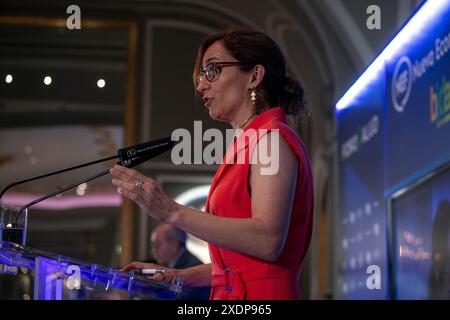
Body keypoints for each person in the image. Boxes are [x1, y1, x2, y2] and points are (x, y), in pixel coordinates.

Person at [111, 28, 314, 300]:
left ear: (254, 76)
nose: (201, 85)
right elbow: (241, 266)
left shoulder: (271, 139)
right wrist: (177, 276)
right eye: (201, 75)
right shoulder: (248, 142)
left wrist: (171, 211)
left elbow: (268, 241)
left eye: (212, 71)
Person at [149, 223, 210, 300]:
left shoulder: (193, 267)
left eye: (157, 245)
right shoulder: (172, 265)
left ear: (174, 245)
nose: (153, 251)